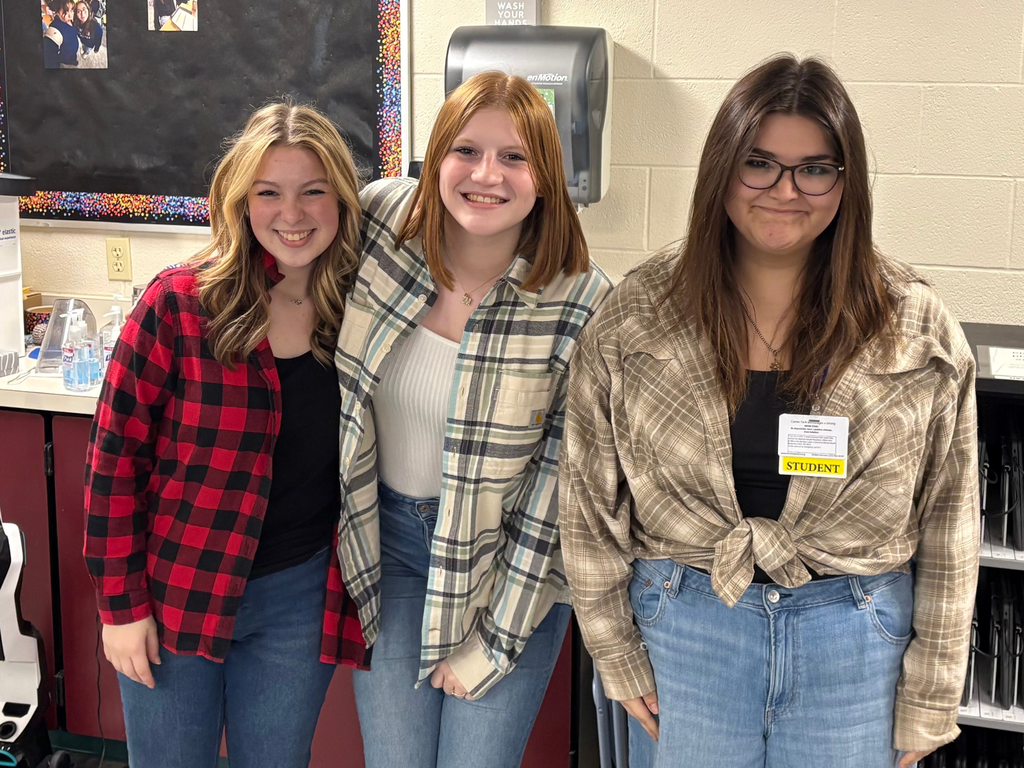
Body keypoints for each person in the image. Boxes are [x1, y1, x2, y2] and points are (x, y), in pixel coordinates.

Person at [560, 54, 979, 768]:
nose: (786, 190)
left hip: (854, 640)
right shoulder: (639, 313)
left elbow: (950, 517)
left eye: (815, 168)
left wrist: (933, 695)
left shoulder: (913, 325)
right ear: (721, 168)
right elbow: (587, 496)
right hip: (687, 631)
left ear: (846, 183)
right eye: (759, 163)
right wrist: (614, 649)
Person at [337, 70, 612, 768]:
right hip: (387, 546)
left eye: (515, 157)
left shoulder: (580, 300)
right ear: (435, 159)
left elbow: (560, 491)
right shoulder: (380, 225)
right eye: (466, 150)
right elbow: (280, 235)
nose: (487, 174)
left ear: (545, 178)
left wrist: (493, 641)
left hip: (505, 565)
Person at [83, 102, 368, 768]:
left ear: (340, 201)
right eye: (268, 192)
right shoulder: (180, 303)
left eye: (312, 192)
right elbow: (112, 463)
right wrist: (120, 608)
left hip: (299, 598)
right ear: (240, 202)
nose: (291, 214)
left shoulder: (358, 305)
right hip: (180, 589)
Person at [43, 0, 78, 68]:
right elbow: (49, 60)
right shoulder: (53, 31)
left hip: (72, 55)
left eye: (72, 10)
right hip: (65, 61)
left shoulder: (70, 21)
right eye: (66, 11)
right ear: (58, 12)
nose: (70, 15)